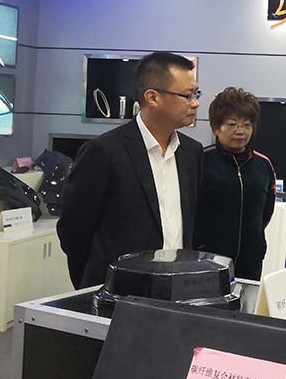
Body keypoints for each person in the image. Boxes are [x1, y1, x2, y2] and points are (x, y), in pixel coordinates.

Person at [57, 52, 203, 289]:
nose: (195, 103)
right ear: (152, 97)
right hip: (119, 291)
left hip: (176, 287)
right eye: (187, 95)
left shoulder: (191, 152)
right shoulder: (104, 151)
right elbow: (73, 230)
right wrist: (96, 284)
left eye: (196, 94)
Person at [194, 87, 276, 280]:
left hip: (251, 259)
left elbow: (266, 211)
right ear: (216, 128)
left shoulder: (263, 165)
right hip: (207, 259)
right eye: (232, 124)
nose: (240, 131)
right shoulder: (201, 161)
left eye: (246, 125)